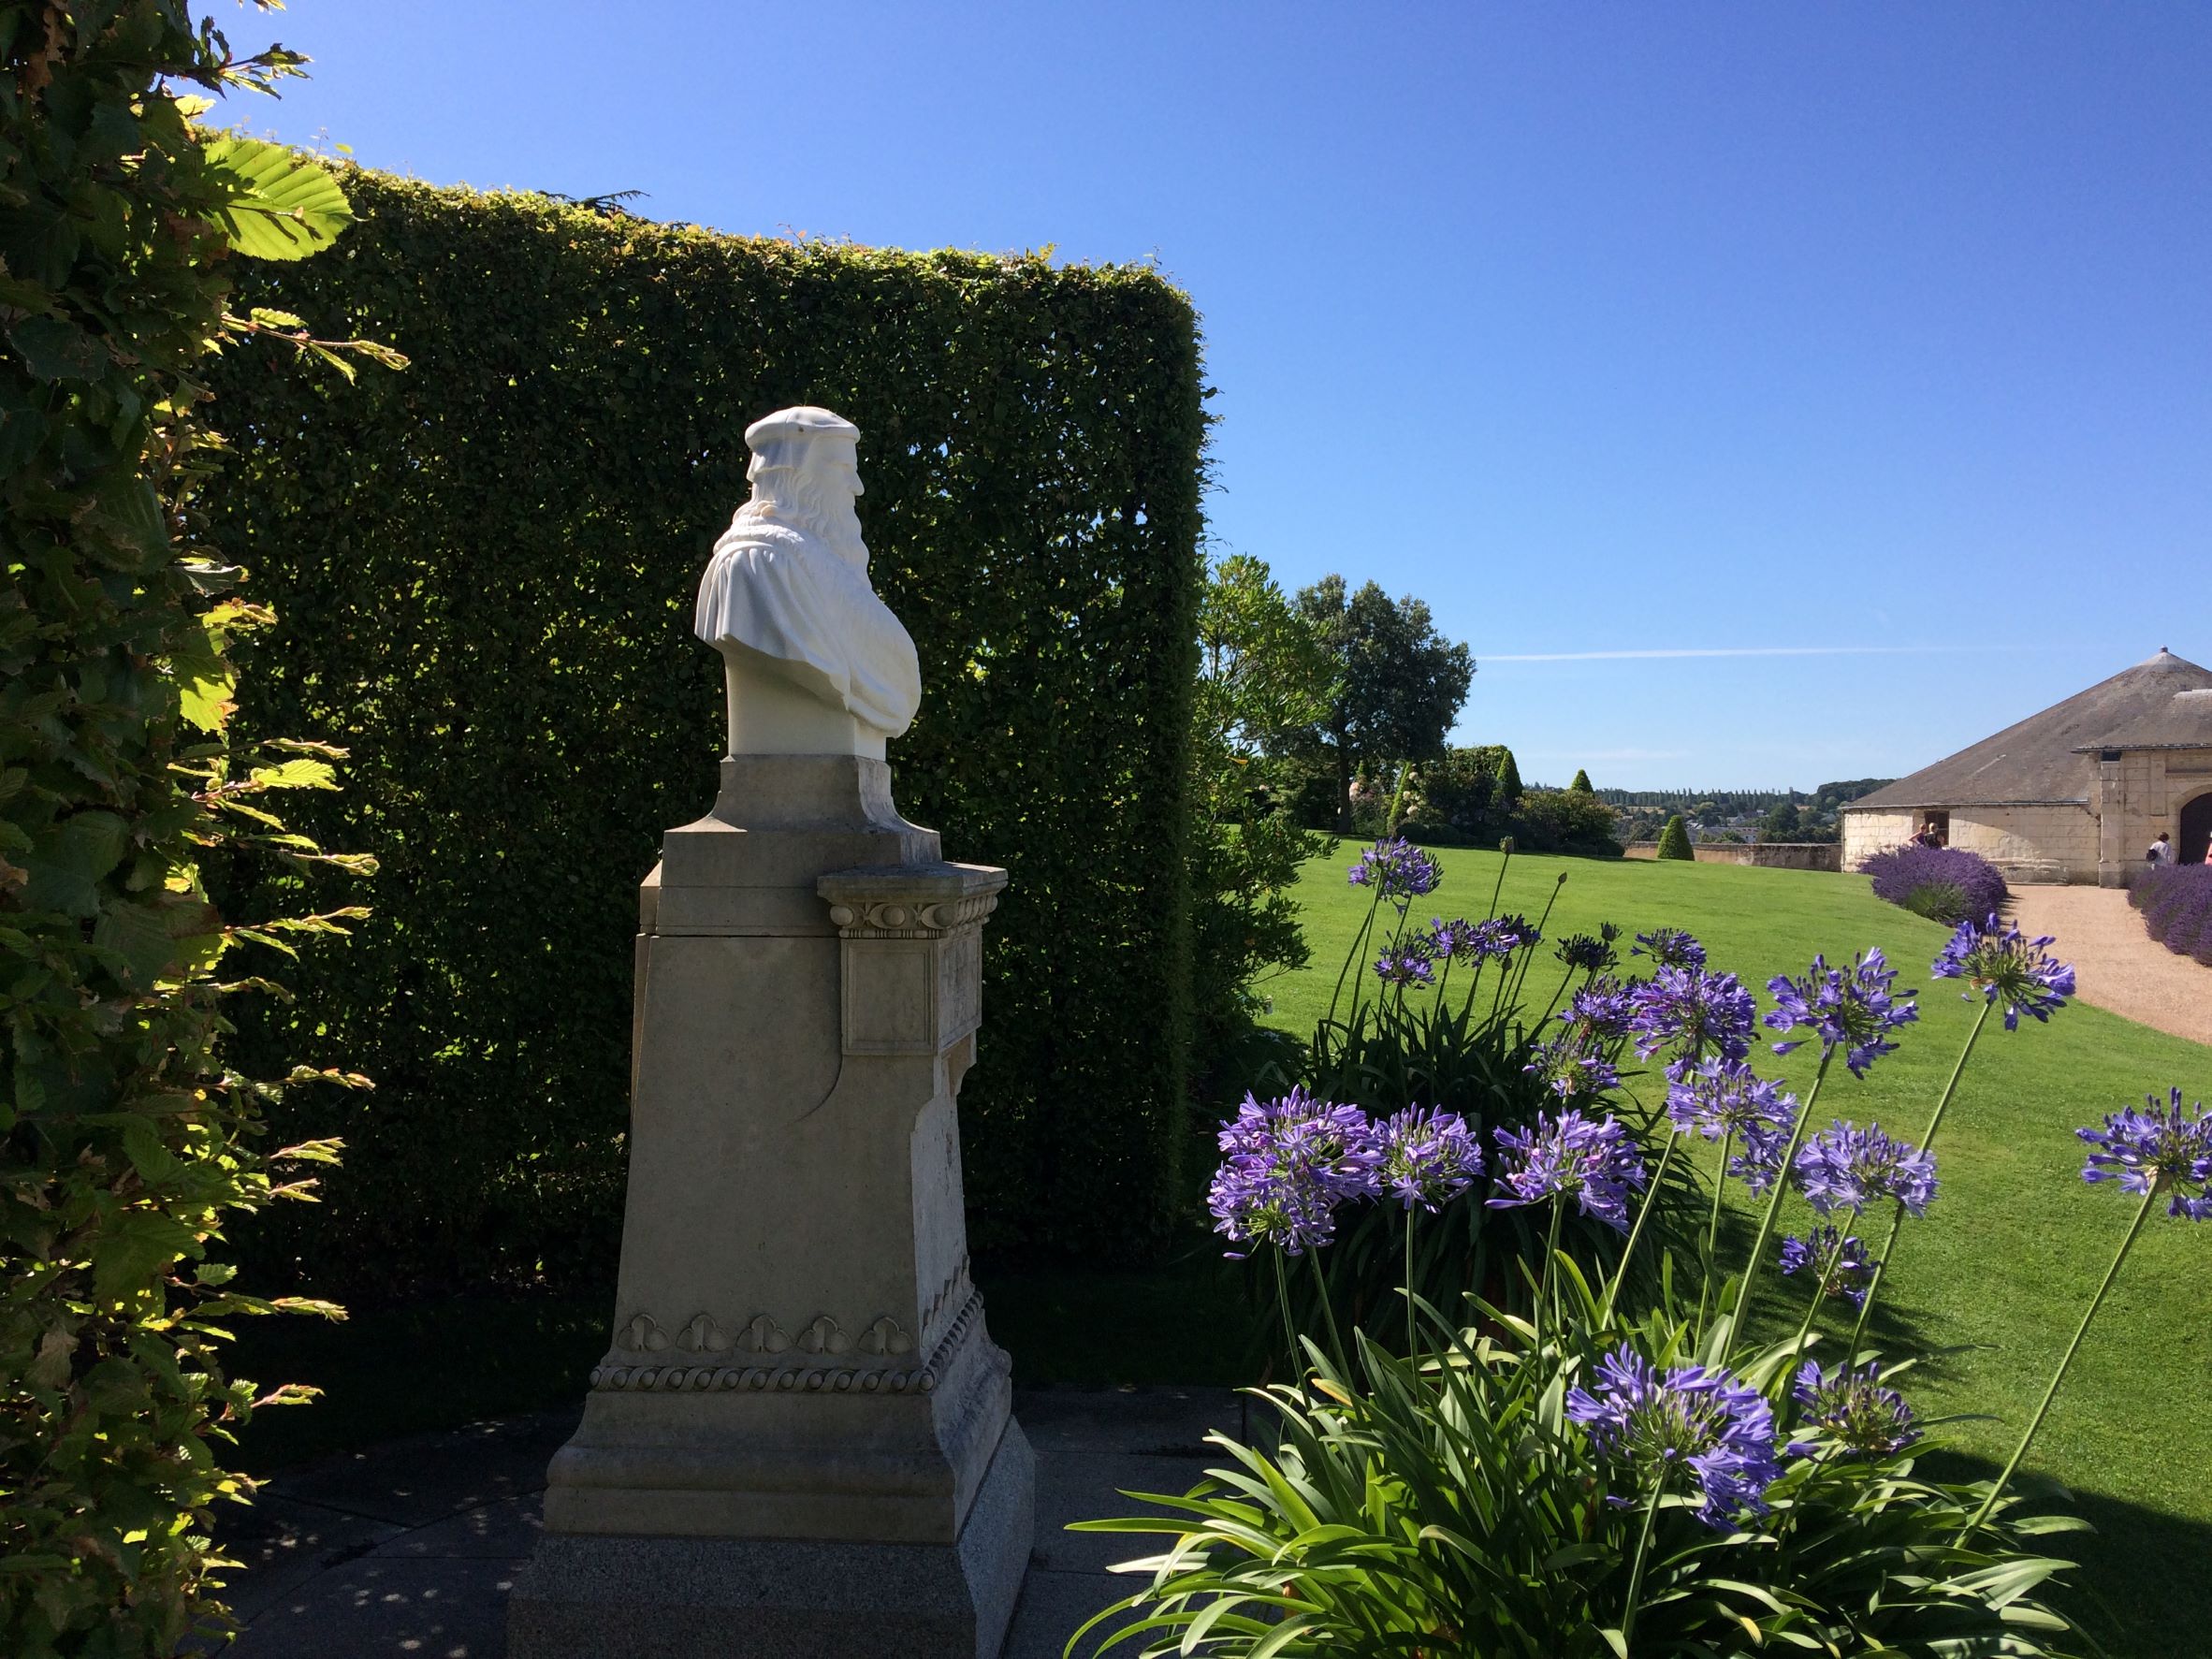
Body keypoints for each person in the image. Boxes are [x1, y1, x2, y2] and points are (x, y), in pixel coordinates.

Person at [693, 406, 923, 757]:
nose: (857, 488)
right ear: (794, 476)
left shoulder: (820, 565)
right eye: (843, 469)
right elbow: (817, 666)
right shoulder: (755, 567)